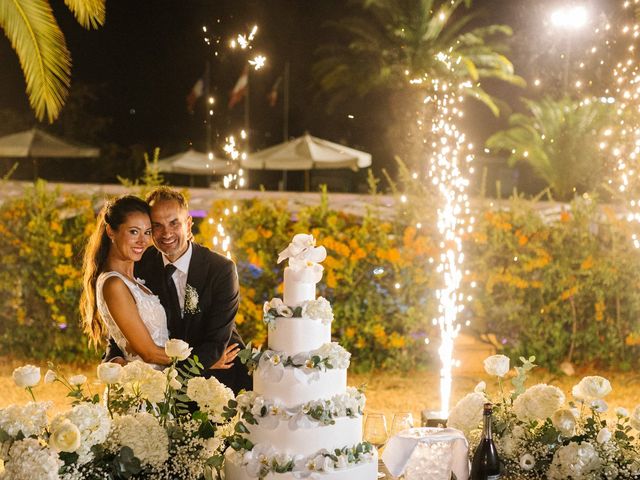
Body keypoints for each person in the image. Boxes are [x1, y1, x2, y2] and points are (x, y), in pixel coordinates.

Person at [103, 187, 251, 394]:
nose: (166, 233)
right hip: (168, 386)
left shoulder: (221, 269)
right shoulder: (141, 264)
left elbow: (216, 345)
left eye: (174, 223)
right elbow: (124, 322)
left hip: (220, 382)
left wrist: (168, 376)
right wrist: (114, 357)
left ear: (189, 225)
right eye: (157, 226)